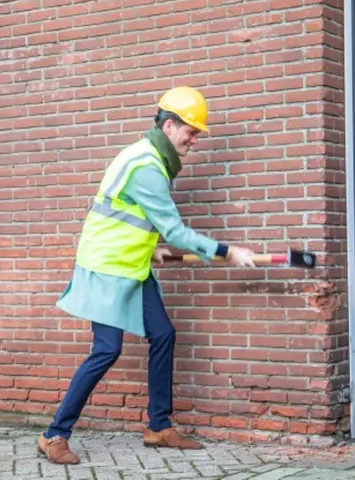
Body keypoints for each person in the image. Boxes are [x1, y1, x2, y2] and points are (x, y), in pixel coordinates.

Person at [37, 86, 257, 465]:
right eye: (191, 130)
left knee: (164, 335)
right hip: (107, 267)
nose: (195, 138)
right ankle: (54, 434)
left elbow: (133, 218)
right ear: (169, 125)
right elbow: (174, 230)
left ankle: (158, 426)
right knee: (107, 350)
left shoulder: (150, 157)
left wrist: (150, 248)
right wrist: (227, 251)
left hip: (133, 266)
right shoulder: (147, 166)